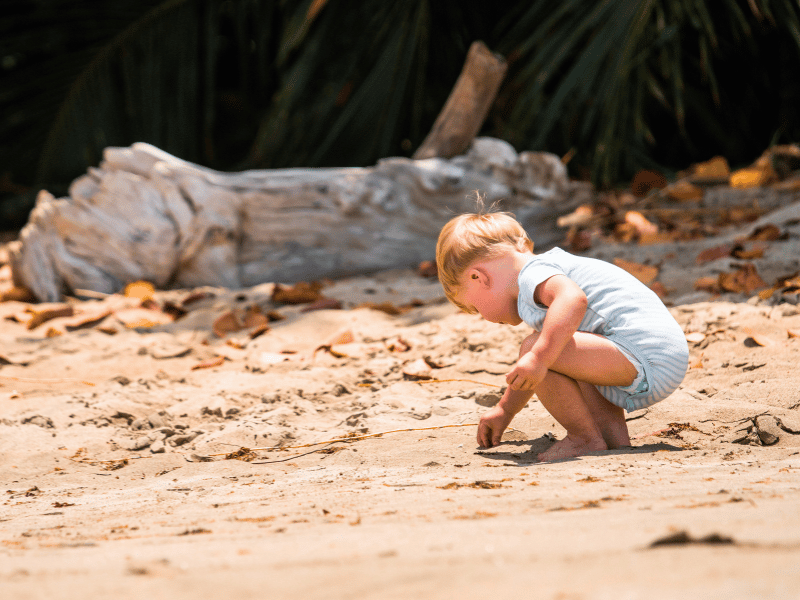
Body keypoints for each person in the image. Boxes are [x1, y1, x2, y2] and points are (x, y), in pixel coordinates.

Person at [435, 201, 689, 461]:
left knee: (538, 349)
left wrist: (537, 357)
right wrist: (505, 410)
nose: (484, 317)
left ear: (479, 278)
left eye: (476, 308)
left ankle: (584, 438)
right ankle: (611, 439)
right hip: (658, 357)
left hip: (644, 355)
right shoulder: (549, 267)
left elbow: (573, 298)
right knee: (556, 347)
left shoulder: (533, 273)